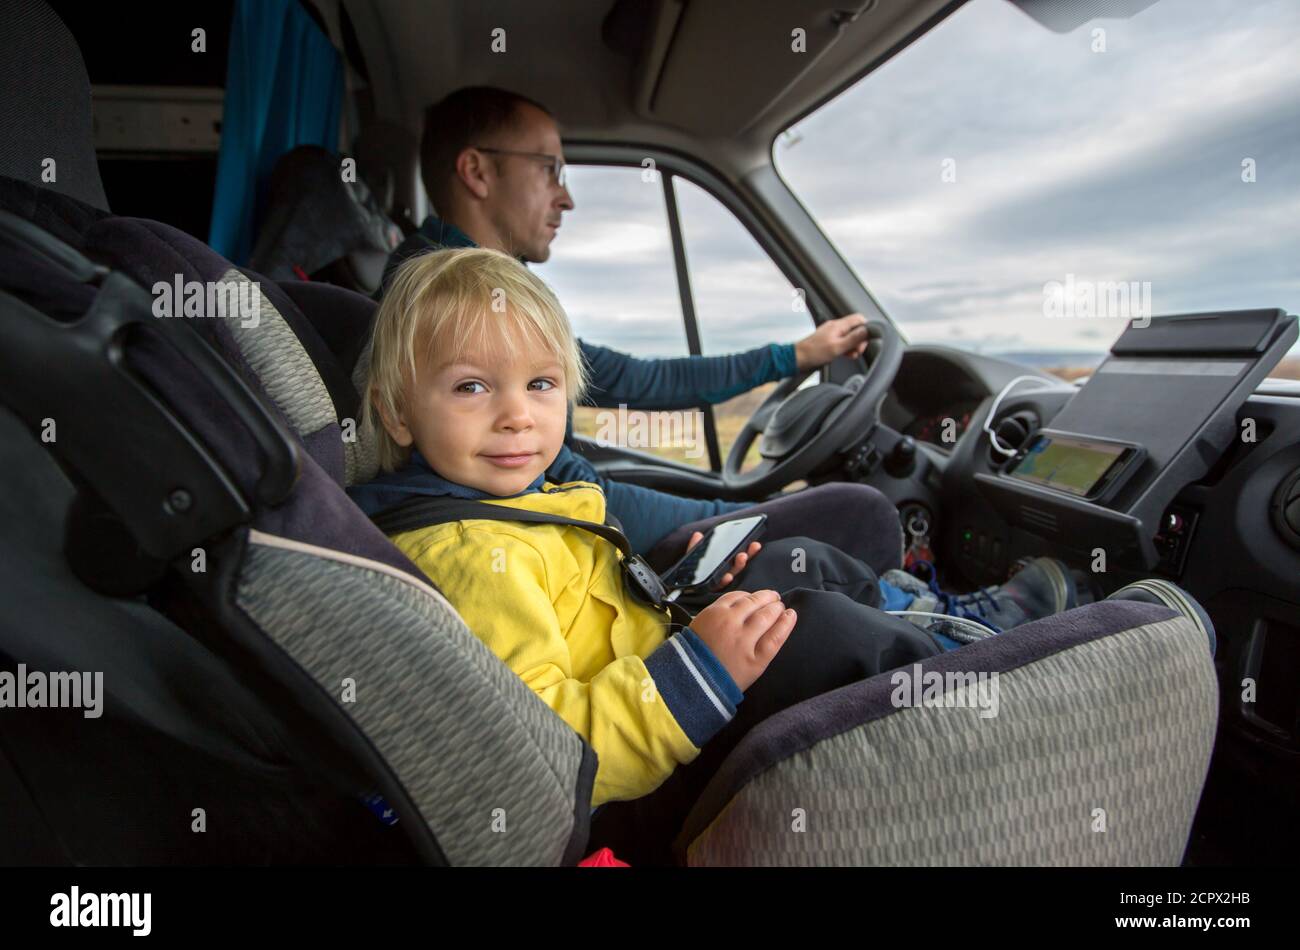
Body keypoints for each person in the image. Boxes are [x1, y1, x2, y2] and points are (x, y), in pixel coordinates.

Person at [348, 247, 1165, 863]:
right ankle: (1000, 661)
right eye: (469, 388)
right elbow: (545, 755)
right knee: (814, 632)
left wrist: (678, 602)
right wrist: (697, 669)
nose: (517, 418)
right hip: (643, 773)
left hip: (643, 671)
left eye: (541, 385)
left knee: (790, 561)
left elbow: (588, 611)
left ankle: (939, 617)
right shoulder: (470, 554)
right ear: (395, 413)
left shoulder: (517, 505)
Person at [380, 85, 902, 568]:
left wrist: (795, 358)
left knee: (753, 508)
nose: (566, 198)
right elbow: (587, 455)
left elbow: (639, 383)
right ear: (476, 172)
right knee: (861, 514)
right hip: (564, 522)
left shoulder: (481, 299)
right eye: (550, 170)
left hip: (575, 508)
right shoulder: (440, 303)